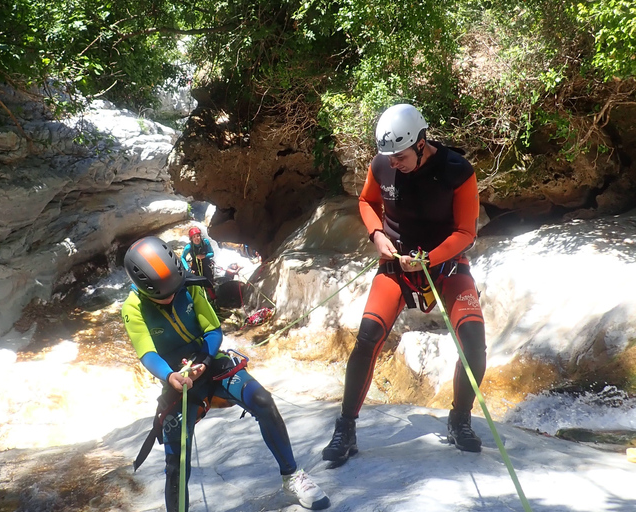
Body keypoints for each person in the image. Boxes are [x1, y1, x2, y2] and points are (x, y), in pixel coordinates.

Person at [322, 103, 487, 466]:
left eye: (400, 157)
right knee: (367, 336)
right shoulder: (382, 164)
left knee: (473, 341)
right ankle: (345, 428)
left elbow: (466, 232)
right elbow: (367, 201)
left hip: (444, 264)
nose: (393, 164)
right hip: (397, 265)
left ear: (422, 142)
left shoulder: (456, 170)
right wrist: (376, 233)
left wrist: (430, 257)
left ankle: (459, 419)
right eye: (389, 158)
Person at [122, 236, 331, 511]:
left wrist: (205, 361)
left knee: (263, 401)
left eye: (175, 288)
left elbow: (212, 330)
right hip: (178, 380)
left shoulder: (190, 285)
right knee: (176, 461)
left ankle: (291, 475)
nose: (173, 296)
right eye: (164, 295)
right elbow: (147, 353)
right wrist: (170, 377)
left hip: (211, 362)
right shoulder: (133, 308)